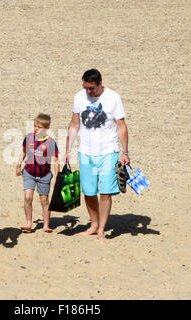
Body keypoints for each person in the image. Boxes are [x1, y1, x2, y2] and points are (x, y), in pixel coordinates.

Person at [65, 69, 130, 242]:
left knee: (106, 192)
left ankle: (101, 229)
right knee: (89, 191)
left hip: (108, 151)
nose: (88, 92)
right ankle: (93, 225)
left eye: (91, 88)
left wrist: (125, 152)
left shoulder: (113, 98)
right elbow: (74, 125)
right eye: (85, 87)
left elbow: (121, 125)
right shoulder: (79, 97)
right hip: (86, 152)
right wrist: (68, 149)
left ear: (100, 84)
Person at [16, 113, 60, 233]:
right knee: (28, 197)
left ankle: (46, 225)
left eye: (39, 127)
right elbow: (23, 152)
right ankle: (29, 223)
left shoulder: (51, 142)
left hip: (44, 175)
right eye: (35, 126)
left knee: (44, 200)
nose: (36, 129)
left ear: (46, 128)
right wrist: (18, 165)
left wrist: (57, 176)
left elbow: (56, 161)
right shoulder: (29, 138)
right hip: (29, 173)